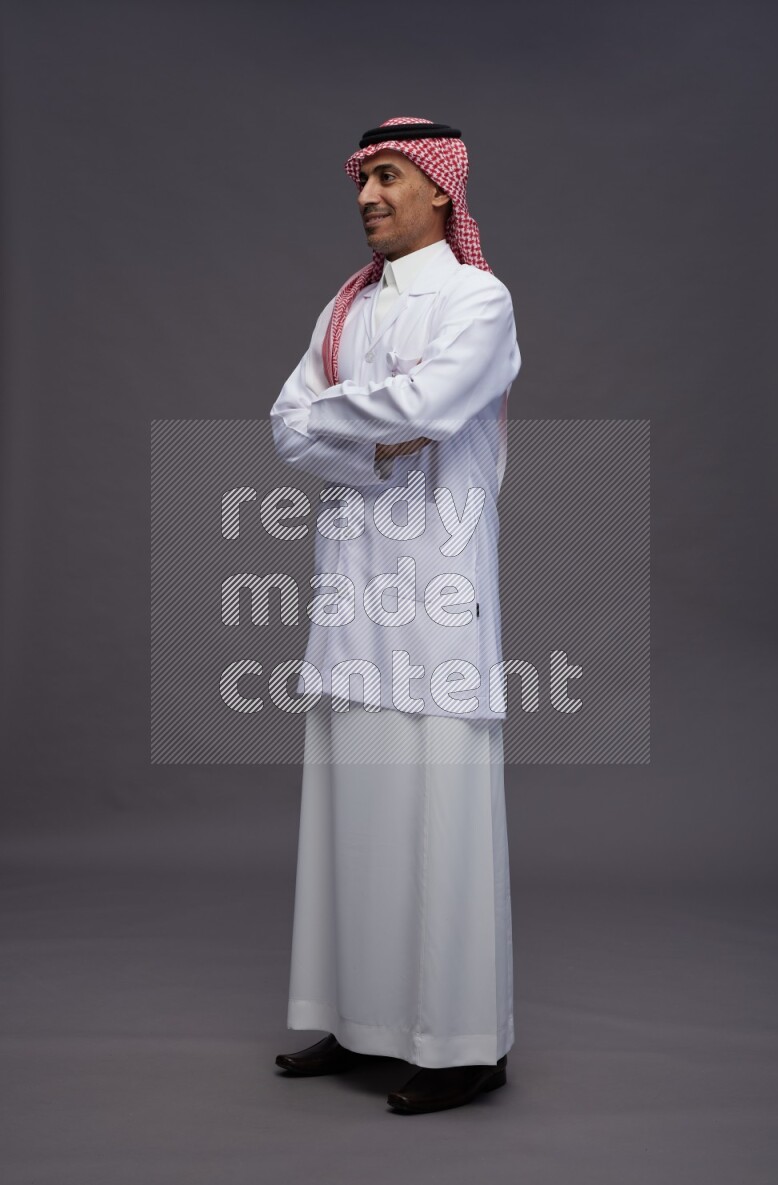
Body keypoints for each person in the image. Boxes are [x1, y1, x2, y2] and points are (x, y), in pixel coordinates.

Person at [270, 116, 522, 1114]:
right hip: (351, 594)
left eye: (386, 177)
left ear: (438, 192)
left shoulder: (478, 298)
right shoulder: (345, 310)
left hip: (435, 602)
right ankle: (360, 1019)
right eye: (362, 179)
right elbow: (286, 428)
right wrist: (371, 435)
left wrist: (364, 423)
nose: (368, 196)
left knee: (439, 813)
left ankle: (462, 1046)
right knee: (351, 810)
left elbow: (431, 404)